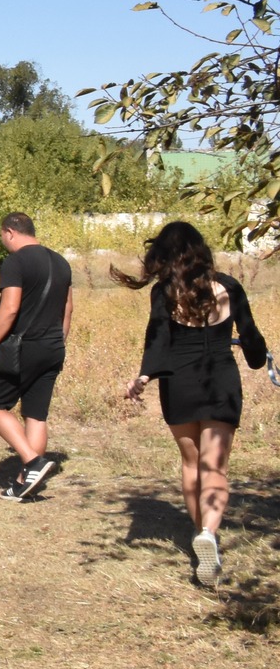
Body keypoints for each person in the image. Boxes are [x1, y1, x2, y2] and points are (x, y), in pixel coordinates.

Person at [117, 221, 268, 587]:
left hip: (178, 384)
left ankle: (200, 531)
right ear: (201, 249)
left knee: (190, 463)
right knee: (214, 466)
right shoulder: (229, 286)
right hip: (220, 383)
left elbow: (157, 341)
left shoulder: (164, 292)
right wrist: (258, 358)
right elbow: (250, 337)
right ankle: (209, 535)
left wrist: (144, 376)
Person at [0, 212, 72, 501]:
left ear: (9, 232)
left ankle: (32, 461)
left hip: (21, 349)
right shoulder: (60, 262)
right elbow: (67, 309)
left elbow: (10, 308)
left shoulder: (15, 262)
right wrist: (58, 342)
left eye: (1, 235)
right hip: (53, 345)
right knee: (35, 414)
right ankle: (23, 485)